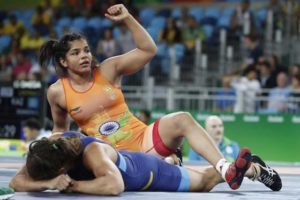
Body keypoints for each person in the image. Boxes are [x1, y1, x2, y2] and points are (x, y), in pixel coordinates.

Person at [41, 4, 274, 190]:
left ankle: (226, 169)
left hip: (144, 141)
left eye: (86, 50)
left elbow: (148, 50)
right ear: (63, 61)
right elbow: (60, 131)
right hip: (116, 158)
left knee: (182, 118)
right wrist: (47, 157)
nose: (84, 56)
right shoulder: (57, 92)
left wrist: (127, 18)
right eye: (76, 53)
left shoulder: (107, 69)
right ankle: (252, 169)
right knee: (201, 180)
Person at [9, 131, 282, 194]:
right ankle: (247, 168)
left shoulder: (92, 154)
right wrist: (49, 182)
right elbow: (16, 181)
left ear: (62, 167)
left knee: (205, 182)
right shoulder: (47, 148)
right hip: (132, 162)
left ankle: (255, 169)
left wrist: (72, 186)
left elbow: (114, 186)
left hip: (148, 172)